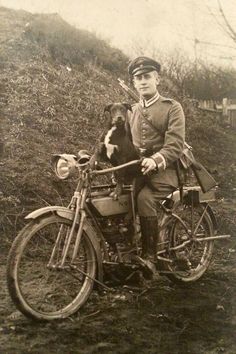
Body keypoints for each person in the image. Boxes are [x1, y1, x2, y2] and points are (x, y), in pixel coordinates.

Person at [127, 56, 185, 263]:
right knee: (118, 199)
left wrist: (155, 159)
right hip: (139, 171)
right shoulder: (131, 111)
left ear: (157, 79)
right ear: (134, 83)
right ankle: (125, 249)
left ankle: (149, 257)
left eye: (147, 77)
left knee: (144, 199)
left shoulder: (172, 107)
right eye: (138, 78)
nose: (143, 81)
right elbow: (124, 144)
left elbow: (175, 144)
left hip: (167, 171)